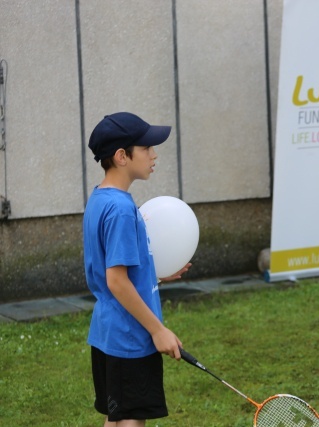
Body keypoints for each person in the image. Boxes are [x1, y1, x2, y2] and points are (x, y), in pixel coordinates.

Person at [83, 112, 191, 426]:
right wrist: (158, 330)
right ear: (121, 156)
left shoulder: (101, 199)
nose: (153, 154)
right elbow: (116, 281)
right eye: (145, 148)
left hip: (107, 332)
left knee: (117, 418)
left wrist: (152, 274)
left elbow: (116, 272)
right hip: (131, 337)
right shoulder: (120, 209)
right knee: (131, 420)